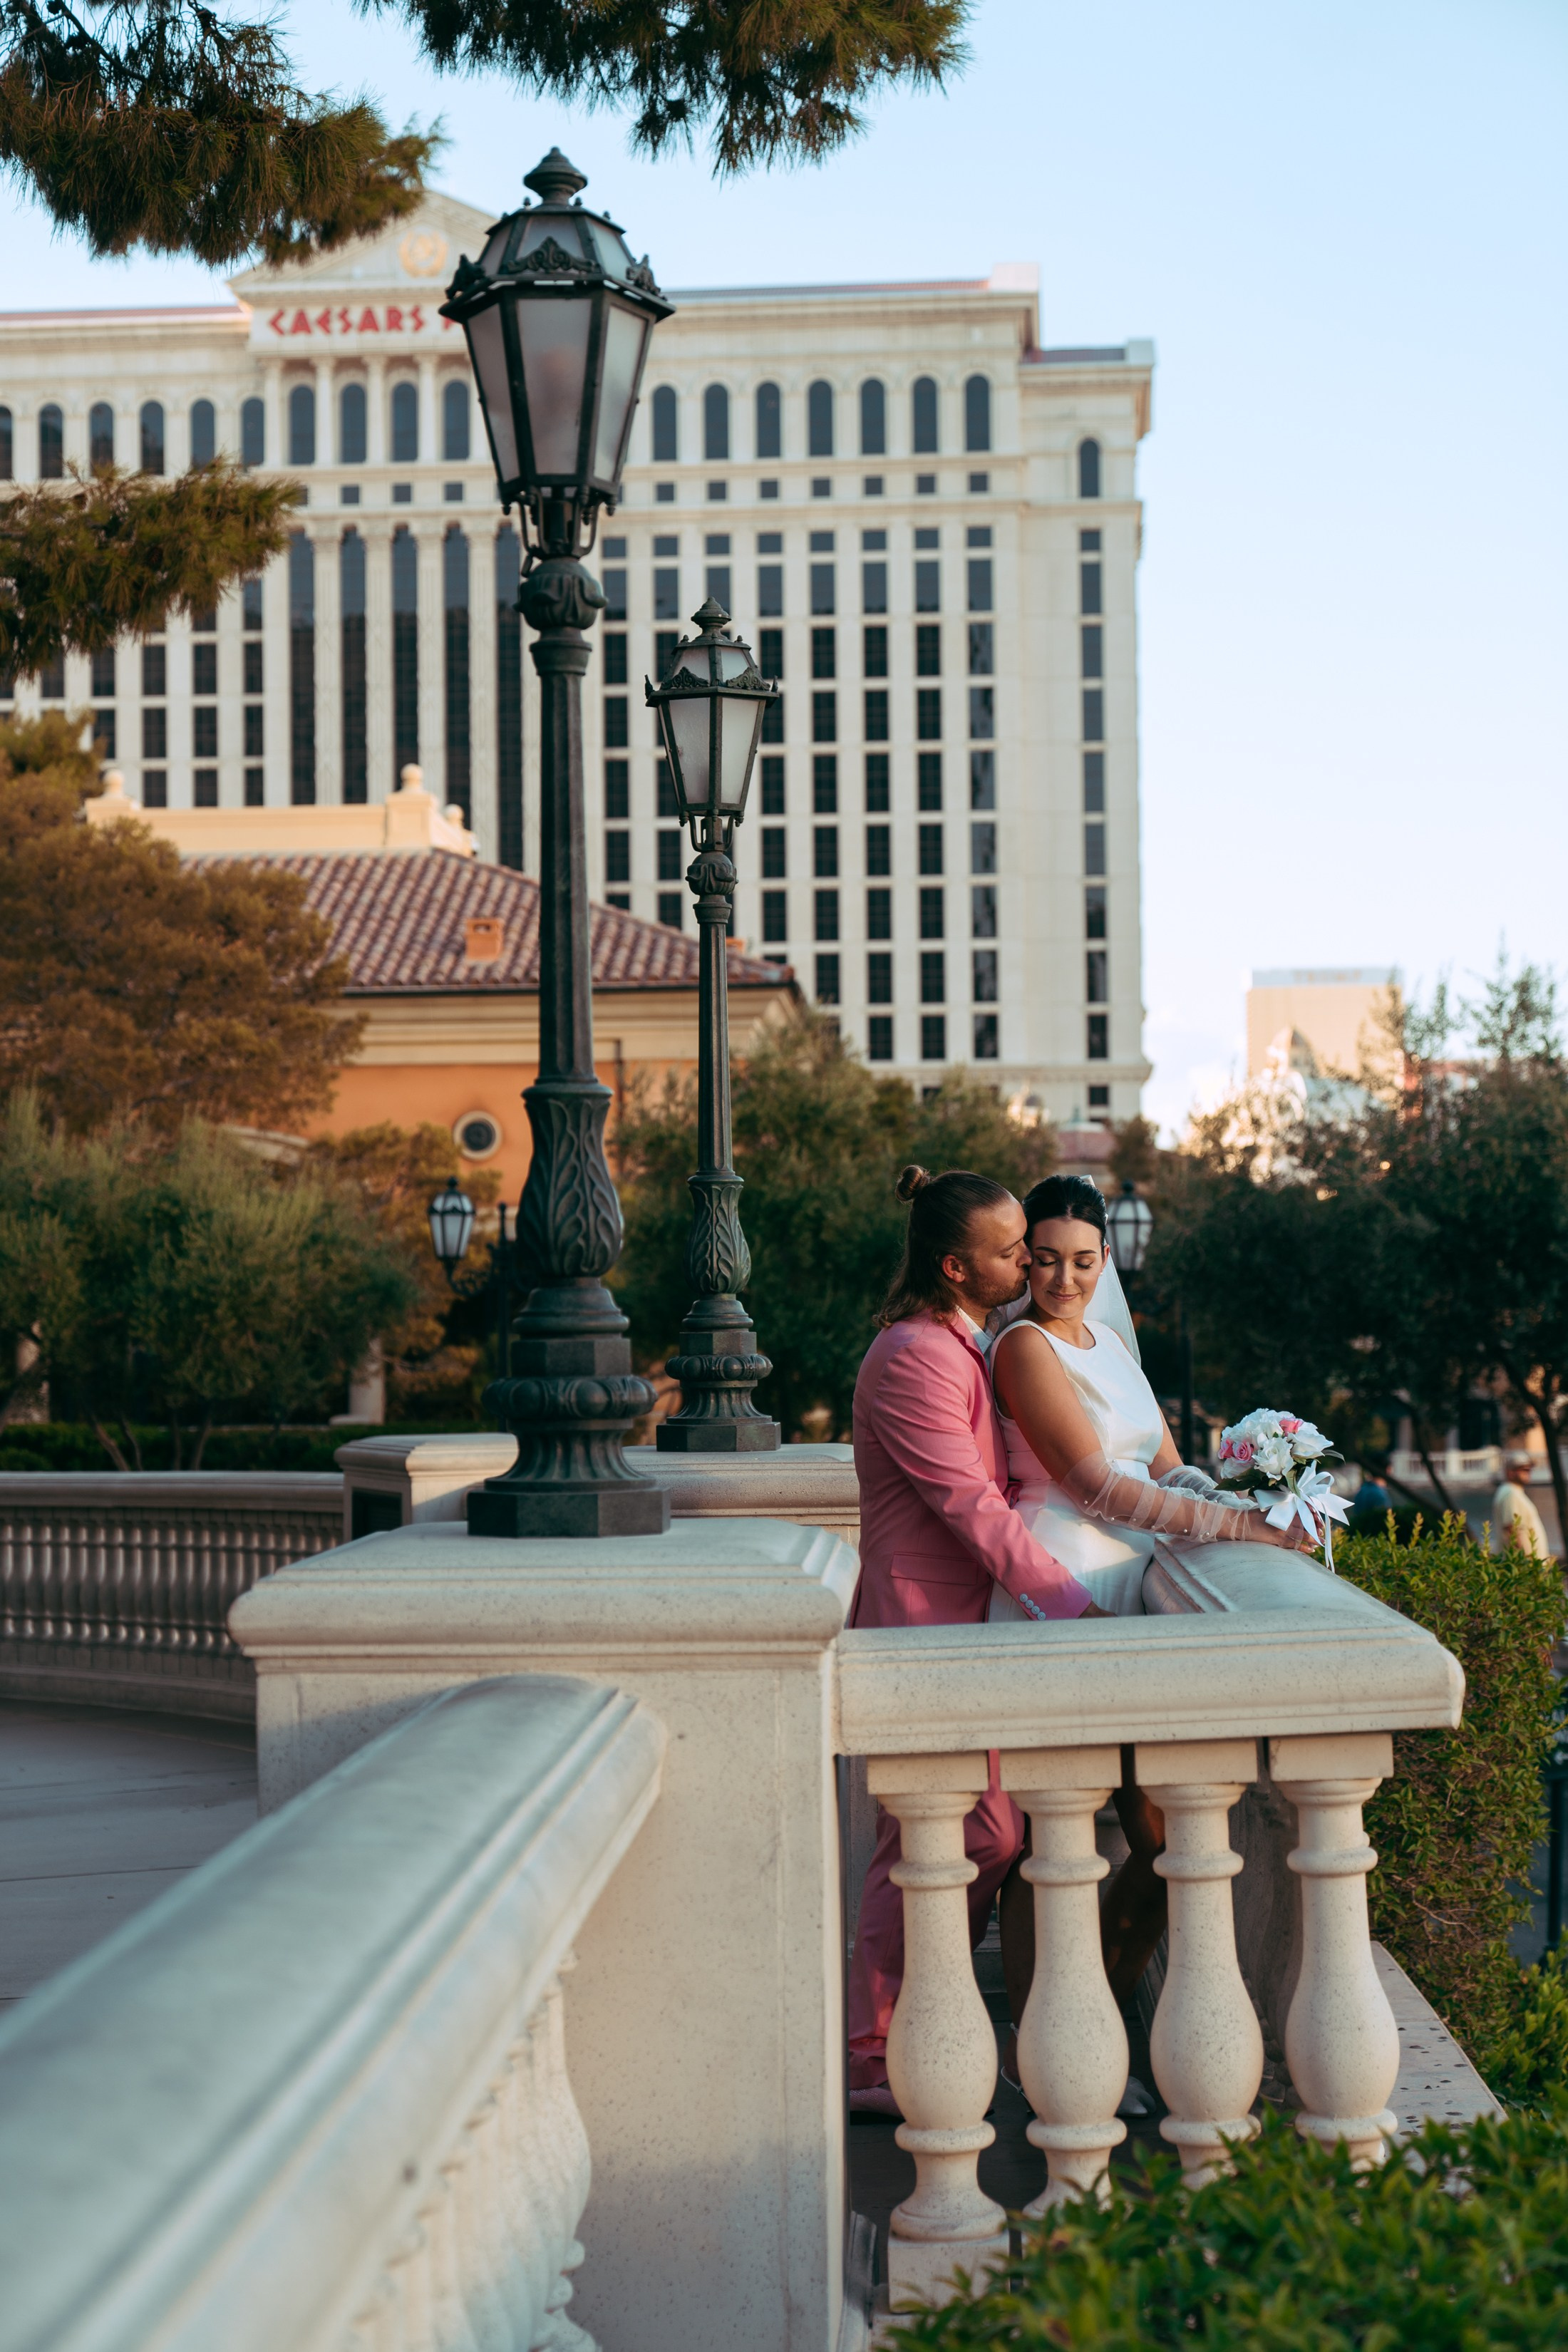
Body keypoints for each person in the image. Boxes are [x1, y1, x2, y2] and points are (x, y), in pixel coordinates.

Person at [988, 1172, 1311, 2042]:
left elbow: (1167, 1468)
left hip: (1130, 1590)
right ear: (1024, 1261)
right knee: (1051, 1838)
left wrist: (1267, 1500)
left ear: (1106, 1261)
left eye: (1083, 1261)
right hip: (1060, 1586)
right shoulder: (1022, 1347)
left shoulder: (1110, 1347)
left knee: (1168, 1843)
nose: (1064, 1280)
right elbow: (1093, 1486)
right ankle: (1040, 2044)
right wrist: (1239, 1527)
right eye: (1046, 1261)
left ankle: (1095, 2026)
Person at [845, 1165, 1103, 2114]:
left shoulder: (966, 1342)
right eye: (1007, 1251)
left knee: (981, 1832)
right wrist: (1074, 1604)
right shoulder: (915, 1355)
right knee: (928, 1841)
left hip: (970, 1632)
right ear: (957, 1266)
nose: (1025, 1261)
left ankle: (920, 2023)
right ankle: (870, 2056)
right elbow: (971, 1507)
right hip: (923, 1630)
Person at [1491, 1453, 1550, 1557]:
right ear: (1510, 1472)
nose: (1528, 1473)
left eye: (1529, 1469)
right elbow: (1512, 1529)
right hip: (1525, 1566)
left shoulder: (1513, 1492)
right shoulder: (1510, 1494)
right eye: (1524, 1470)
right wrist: (1525, 1561)